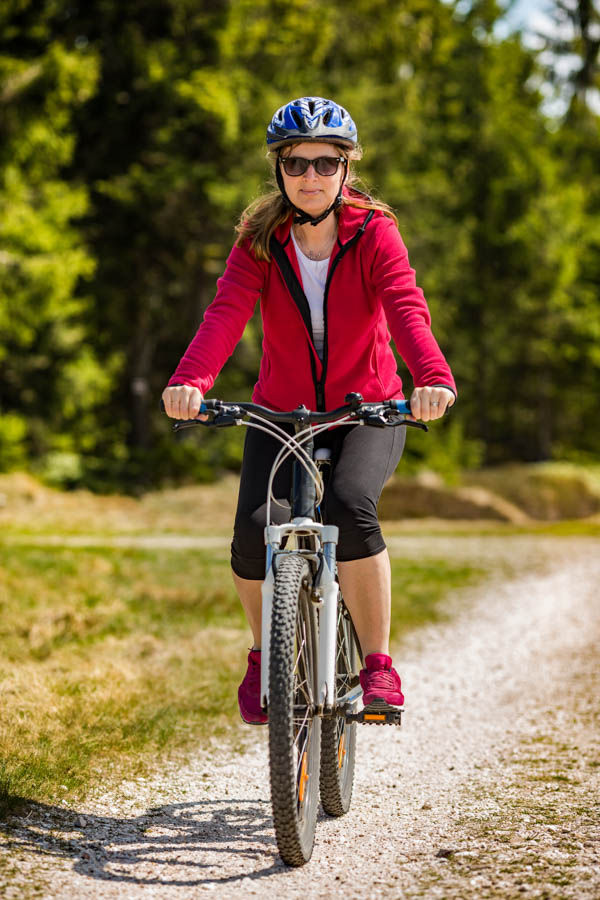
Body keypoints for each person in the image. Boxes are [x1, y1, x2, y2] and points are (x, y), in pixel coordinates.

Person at [162, 96, 456, 725]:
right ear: (279, 170)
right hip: (283, 412)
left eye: (327, 162)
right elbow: (226, 314)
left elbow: (406, 306)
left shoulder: (374, 232)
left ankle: (377, 666)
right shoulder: (260, 240)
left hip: (368, 409)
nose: (312, 176)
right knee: (250, 535)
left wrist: (431, 378)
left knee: (351, 507)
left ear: (347, 167)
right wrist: (190, 380)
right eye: (297, 163)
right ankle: (266, 655)